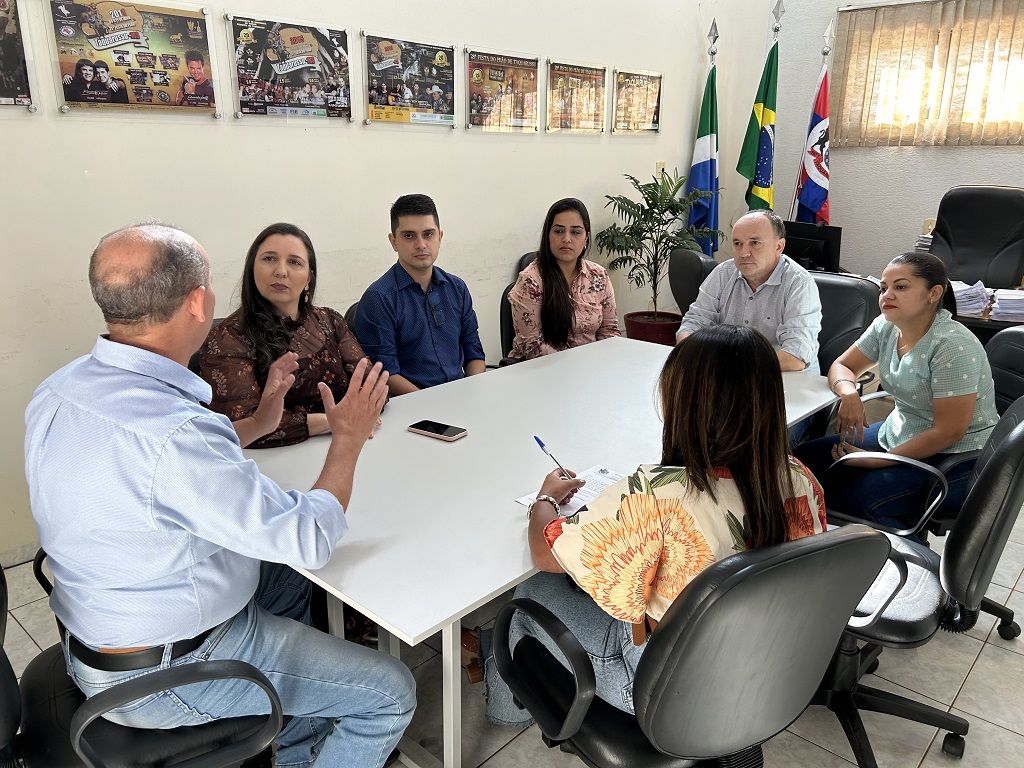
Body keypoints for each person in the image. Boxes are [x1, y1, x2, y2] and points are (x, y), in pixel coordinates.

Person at [24, 223, 415, 767]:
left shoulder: (59, 388)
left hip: (101, 629)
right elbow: (310, 537)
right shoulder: (176, 429)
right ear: (197, 302)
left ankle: (296, 745)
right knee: (391, 692)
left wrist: (258, 422)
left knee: (287, 580)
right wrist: (348, 439)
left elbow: (160, 470)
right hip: (168, 672)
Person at [478, 325, 827, 725]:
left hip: (666, 691)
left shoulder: (658, 493)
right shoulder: (800, 478)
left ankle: (505, 714)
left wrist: (545, 499)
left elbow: (544, 552)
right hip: (761, 671)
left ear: (684, 403)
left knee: (531, 592)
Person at [795, 251, 998, 531]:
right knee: (802, 462)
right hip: (900, 432)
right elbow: (843, 366)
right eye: (883, 288)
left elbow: (949, 431)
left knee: (861, 500)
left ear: (934, 293)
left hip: (959, 456)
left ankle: (911, 555)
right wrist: (849, 393)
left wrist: (878, 461)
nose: (886, 295)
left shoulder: (952, 345)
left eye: (900, 287)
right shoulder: (886, 326)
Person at [355, 193, 486, 394]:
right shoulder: (379, 299)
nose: (421, 244)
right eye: (409, 236)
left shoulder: (457, 288)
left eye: (428, 234)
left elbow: (473, 351)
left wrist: (473, 391)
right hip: (411, 405)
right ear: (393, 241)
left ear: (440, 237)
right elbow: (385, 373)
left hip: (461, 397)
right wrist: (431, 402)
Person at [676, 209, 822, 374]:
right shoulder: (723, 273)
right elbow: (694, 322)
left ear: (779, 247)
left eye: (755, 243)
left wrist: (729, 364)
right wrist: (689, 351)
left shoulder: (799, 283)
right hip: (728, 375)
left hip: (784, 377)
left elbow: (795, 357)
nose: (744, 253)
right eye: (738, 243)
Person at [508, 198, 620, 360]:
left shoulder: (598, 275)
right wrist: (578, 366)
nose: (567, 239)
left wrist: (600, 364)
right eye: (559, 231)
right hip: (542, 368)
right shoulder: (531, 281)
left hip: (591, 366)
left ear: (586, 238)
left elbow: (609, 331)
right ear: (548, 235)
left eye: (575, 232)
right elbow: (532, 346)